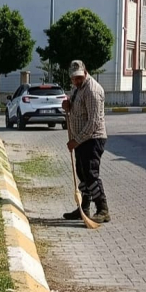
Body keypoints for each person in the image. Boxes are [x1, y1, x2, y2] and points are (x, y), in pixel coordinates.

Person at [61, 60, 110, 223]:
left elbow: (93, 123)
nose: (76, 81)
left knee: (90, 174)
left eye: (79, 77)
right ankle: (84, 207)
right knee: (82, 173)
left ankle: (103, 209)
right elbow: (77, 108)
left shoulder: (92, 91)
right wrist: (68, 106)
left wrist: (75, 141)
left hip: (93, 139)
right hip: (81, 140)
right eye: (73, 78)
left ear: (85, 72)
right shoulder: (77, 88)